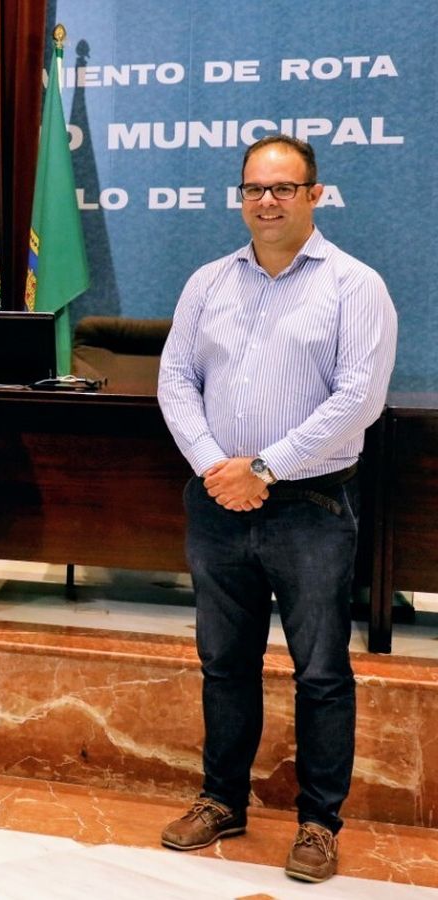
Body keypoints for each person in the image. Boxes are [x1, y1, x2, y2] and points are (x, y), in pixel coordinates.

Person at [157, 134, 397, 883]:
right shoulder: (207, 283)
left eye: (283, 188)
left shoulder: (355, 286)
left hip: (311, 506)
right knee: (223, 664)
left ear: (314, 195)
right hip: (217, 501)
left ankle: (319, 823)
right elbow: (175, 382)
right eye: (254, 188)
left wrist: (262, 467)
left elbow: (358, 399)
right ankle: (222, 799)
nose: (266, 201)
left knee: (320, 670)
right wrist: (215, 468)